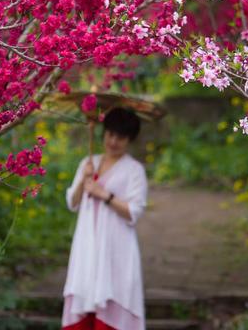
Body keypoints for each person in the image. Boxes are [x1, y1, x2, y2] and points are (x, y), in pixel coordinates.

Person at [62, 107, 148, 330]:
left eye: (120, 137)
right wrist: (84, 180)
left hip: (116, 248)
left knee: (113, 299)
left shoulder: (134, 170)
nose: (113, 141)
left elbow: (134, 212)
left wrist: (104, 195)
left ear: (129, 139)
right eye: (110, 134)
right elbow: (73, 202)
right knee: (84, 295)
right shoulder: (88, 163)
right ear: (103, 133)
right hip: (87, 246)